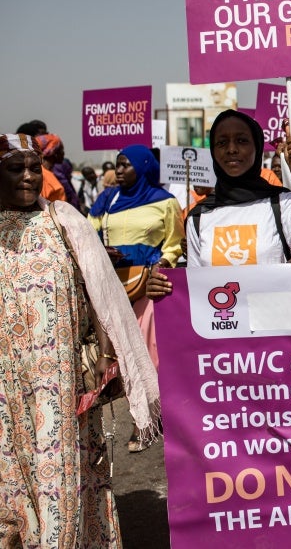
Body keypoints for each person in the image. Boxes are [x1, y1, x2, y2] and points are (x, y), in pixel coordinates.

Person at [0, 133, 160, 547]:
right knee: (11, 482)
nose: (28, 176)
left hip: (59, 383)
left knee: (61, 478)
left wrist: (106, 357)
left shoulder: (63, 219)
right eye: (15, 168)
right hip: (6, 386)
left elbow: (100, 292)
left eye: (34, 167)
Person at [146, 111, 291, 277]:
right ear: (213, 151)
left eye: (241, 141)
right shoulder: (198, 217)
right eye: (222, 143)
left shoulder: (281, 202)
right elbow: (196, 285)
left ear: (257, 147)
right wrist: (162, 284)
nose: (231, 149)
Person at [88, 144, 183, 451]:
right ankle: (141, 415)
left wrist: (162, 263)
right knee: (120, 354)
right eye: (117, 164)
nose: (119, 171)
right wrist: (101, 250)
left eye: (126, 165)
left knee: (148, 354)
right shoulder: (107, 199)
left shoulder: (166, 202)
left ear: (143, 167)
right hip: (112, 285)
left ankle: (146, 421)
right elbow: (88, 233)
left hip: (148, 287)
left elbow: (175, 243)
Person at [35, 133, 81, 209]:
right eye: (61, 150)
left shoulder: (43, 173)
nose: (63, 153)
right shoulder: (44, 176)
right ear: (54, 152)